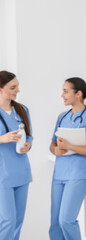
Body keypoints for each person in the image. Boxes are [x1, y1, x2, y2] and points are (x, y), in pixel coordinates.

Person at [49, 77, 86, 240]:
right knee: (55, 224)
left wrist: (69, 146)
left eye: (65, 91)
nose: (62, 95)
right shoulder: (62, 117)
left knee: (66, 221)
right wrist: (56, 150)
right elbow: (52, 145)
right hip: (59, 174)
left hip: (77, 175)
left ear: (78, 94)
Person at [0, 71, 33, 240]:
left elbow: (30, 135)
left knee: (18, 221)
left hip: (21, 173)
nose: (17, 90)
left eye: (17, 86)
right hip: (2, 176)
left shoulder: (22, 110)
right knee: (7, 220)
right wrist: (2, 139)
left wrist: (28, 144)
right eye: (13, 87)